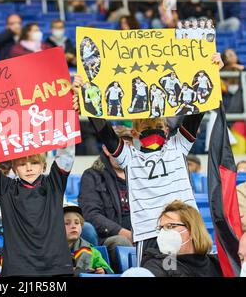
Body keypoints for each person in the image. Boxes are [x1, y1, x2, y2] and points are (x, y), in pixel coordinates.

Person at [72, 52, 223, 264]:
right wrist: (87, 92)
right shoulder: (129, 157)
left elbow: (195, 112)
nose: (154, 130)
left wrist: (210, 72)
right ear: (134, 134)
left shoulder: (178, 146)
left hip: (187, 226)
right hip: (150, 232)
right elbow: (103, 130)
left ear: (168, 129)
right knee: (160, 273)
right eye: (146, 127)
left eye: (159, 127)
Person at [0, 145, 76, 276]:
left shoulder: (54, 184)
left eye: (34, 163)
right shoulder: (6, 188)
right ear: (14, 168)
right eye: (22, 164)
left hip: (56, 266)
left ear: (43, 166)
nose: (29, 168)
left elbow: (66, 155)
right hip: (18, 268)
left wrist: (65, 127)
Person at [79, 125, 134, 273]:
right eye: (117, 146)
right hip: (108, 237)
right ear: (105, 149)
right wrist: (122, 231)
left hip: (141, 234)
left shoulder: (140, 174)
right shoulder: (92, 176)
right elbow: (91, 214)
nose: (123, 151)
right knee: (121, 242)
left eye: (128, 145)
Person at [142, 200, 222, 277]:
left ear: (192, 230)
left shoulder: (218, 264)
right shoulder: (157, 265)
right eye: (161, 228)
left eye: (170, 226)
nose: (163, 232)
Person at [64, 203, 113, 275]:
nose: (73, 226)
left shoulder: (92, 251)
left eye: (77, 223)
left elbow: (109, 272)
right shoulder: (48, 251)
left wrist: (103, 271)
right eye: (67, 223)